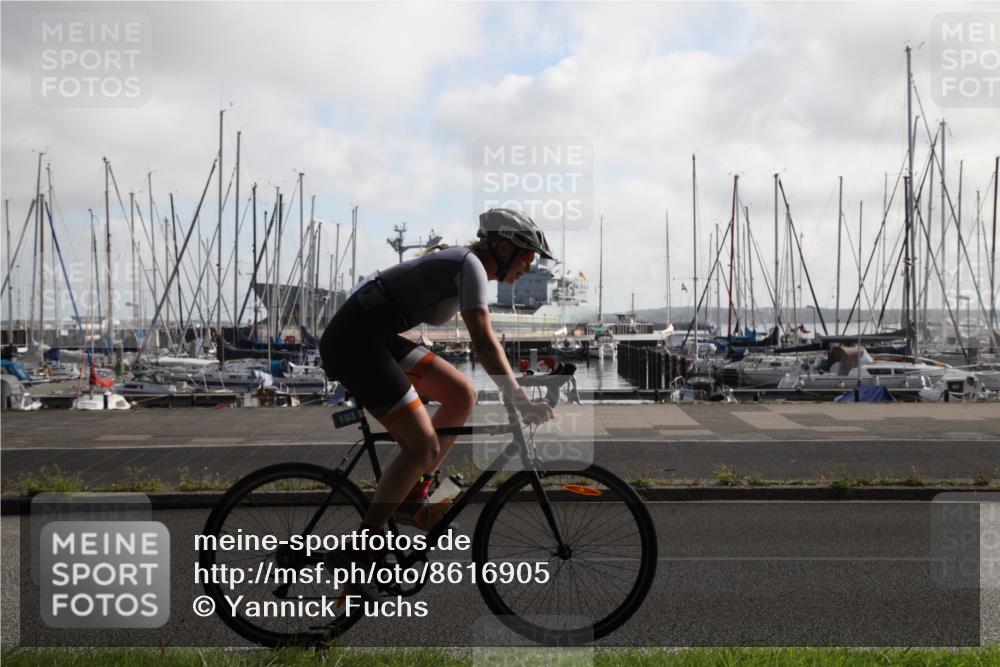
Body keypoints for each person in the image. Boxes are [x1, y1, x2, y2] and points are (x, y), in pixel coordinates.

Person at [320, 208, 556, 598]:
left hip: (374, 337)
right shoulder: (471, 266)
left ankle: (415, 495)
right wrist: (518, 399)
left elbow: (483, 339)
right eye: (526, 255)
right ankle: (362, 548)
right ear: (501, 247)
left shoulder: (469, 267)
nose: (529, 265)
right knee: (423, 444)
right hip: (354, 341)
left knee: (463, 394)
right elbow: (482, 339)